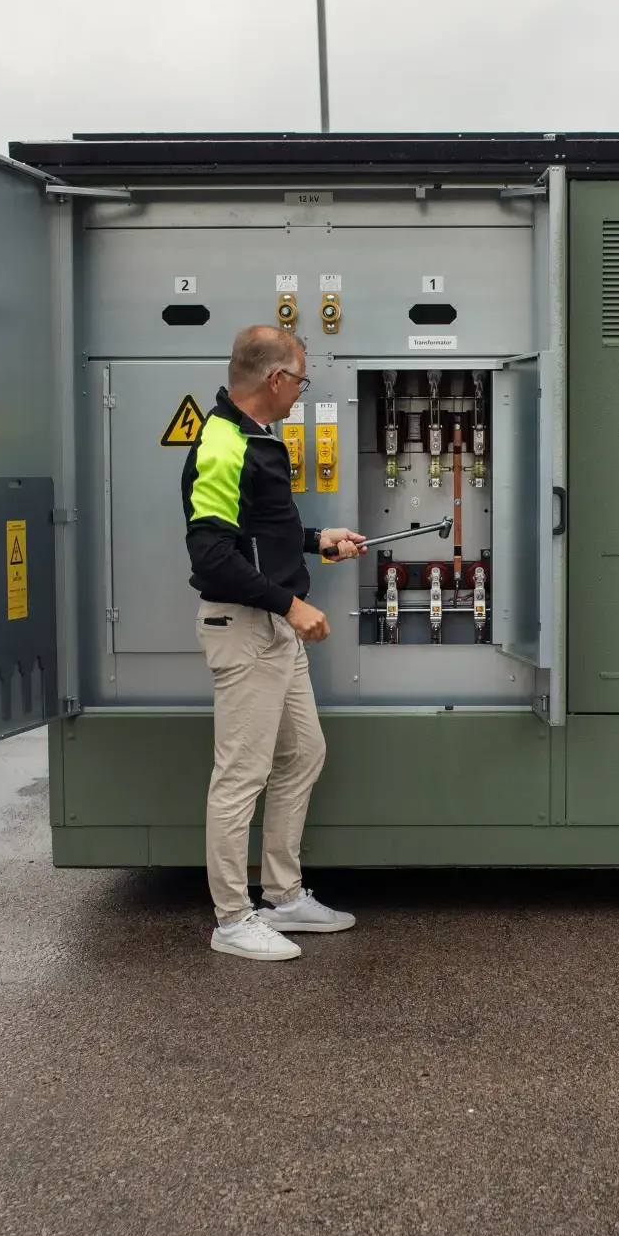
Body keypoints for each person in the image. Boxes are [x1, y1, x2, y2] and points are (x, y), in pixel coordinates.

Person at [182, 325, 365, 961]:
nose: (300, 393)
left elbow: (258, 531)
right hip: (246, 629)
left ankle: (284, 898)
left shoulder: (257, 438)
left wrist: (318, 540)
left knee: (303, 754)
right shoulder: (222, 443)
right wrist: (292, 605)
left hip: (274, 628)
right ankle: (232, 919)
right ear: (276, 379)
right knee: (241, 776)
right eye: (301, 381)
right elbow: (212, 555)